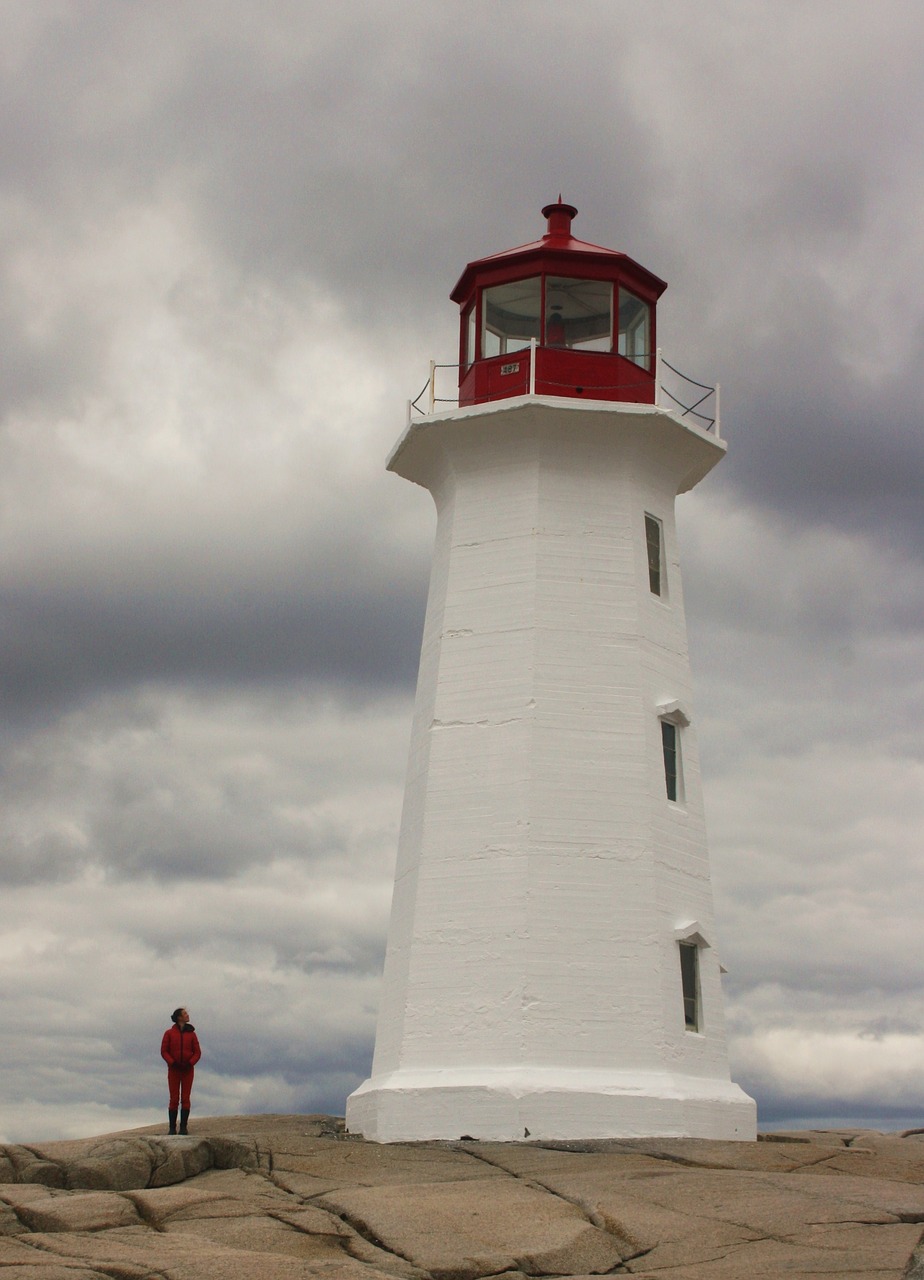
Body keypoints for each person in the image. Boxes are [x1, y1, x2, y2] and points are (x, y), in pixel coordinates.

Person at [160, 1007, 201, 1135]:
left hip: (188, 1070)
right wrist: (173, 1063)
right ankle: (172, 1128)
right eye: (185, 1014)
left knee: (185, 1098)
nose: (187, 1015)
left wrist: (190, 1063)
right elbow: (164, 1051)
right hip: (174, 1070)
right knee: (174, 1098)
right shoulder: (169, 1033)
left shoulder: (192, 1034)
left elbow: (198, 1052)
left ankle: (183, 1128)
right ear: (179, 1017)